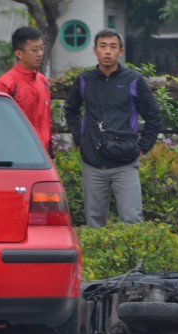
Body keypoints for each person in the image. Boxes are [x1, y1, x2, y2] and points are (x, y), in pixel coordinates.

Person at [64, 29, 162, 227]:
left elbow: (154, 117)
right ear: (95, 50)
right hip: (92, 162)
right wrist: (79, 139)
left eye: (113, 47)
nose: (107, 51)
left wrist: (142, 148)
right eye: (103, 46)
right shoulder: (85, 80)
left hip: (125, 163)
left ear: (121, 51)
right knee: (94, 222)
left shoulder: (133, 80)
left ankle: (134, 260)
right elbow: (71, 109)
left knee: (132, 221)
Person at [0, 27, 53, 157]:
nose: (40, 54)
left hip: (43, 156)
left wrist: (50, 152)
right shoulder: (5, 84)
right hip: (17, 157)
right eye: (34, 50)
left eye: (42, 48)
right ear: (19, 54)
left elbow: (47, 121)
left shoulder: (43, 81)